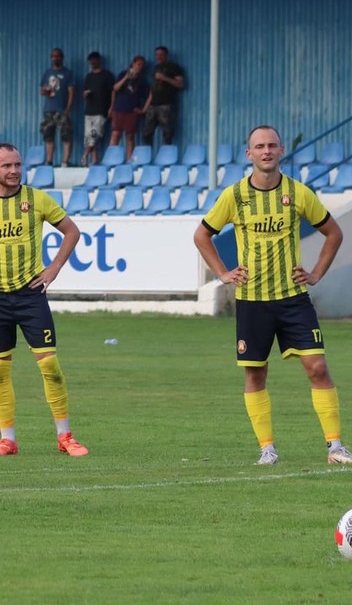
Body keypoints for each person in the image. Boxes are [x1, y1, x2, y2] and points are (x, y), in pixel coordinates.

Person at [193, 125, 352, 466]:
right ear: (249, 154)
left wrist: (316, 274)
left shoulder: (298, 193)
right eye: (259, 146)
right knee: (255, 373)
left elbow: (333, 234)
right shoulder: (234, 196)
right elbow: (202, 235)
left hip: (294, 298)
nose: (266, 151)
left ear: (281, 151)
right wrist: (223, 273)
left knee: (318, 367)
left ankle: (336, 447)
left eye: (272, 145)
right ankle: (268, 449)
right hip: (252, 300)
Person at [0, 142, 89, 459]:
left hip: (30, 296)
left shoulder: (36, 199)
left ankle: (65, 436)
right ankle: (7, 440)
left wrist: (53, 269)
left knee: (50, 366)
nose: (13, 171)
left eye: (17, 165)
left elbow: (71, 231)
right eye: (6, 166)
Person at [142, 46, 185, 149]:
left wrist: (165, 78)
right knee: (146, 133)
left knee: (167, 133)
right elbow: (152, 89)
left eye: (161, 55)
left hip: (166, 105)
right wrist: (146, 107)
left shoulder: (174, 67)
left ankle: (166, 157)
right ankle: (147, 157)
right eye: (157, 55)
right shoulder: (155, 68)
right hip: (153, 105)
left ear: (166, 55)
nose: (159, 57)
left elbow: (180, 84)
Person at [109, 55, 150, 162]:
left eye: (142, 65)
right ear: (133, 64)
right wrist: (126, 78)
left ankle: (129, 160)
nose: (139, 67)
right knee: (116, 134)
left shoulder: (141, 80)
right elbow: (115, 88)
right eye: (138, 64)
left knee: (130, 136)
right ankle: (112, 159)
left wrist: (143, 109)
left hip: (132, 111)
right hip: (120, 109)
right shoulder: (123, 74)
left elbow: (149, 95)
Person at [39, 48, 74, 167]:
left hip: (62, 109)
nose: (55, 58)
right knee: (48, 136)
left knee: (66, 135)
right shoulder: (47, 73)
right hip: (48, 109)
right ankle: (49, 161)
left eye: (57, 56)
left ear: (62, 58)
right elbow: (41, 91)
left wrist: (67, 109)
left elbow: (71, 92)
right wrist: (45, 90)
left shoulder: (67, 73)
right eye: (53, 56)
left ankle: (65, 161)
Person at [81, 52, 115, 166]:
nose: (93, 62)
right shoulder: (89, 76)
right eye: (91, 61)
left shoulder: (107, 75)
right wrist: (85, 94)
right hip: (89, 110)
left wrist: (111, 107)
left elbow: (113, 92)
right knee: (89, 135)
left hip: (101, 110)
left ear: (99, 60)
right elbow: (84, 91)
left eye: (94, 60)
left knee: (95, 135)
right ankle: (95, 159)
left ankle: (85, 155)